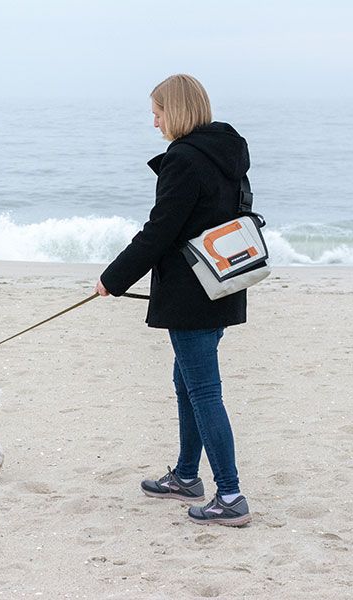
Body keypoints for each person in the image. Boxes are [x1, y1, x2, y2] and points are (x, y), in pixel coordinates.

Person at [95, 74, 252, 527]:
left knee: (203, 390)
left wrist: (113, 277)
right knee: (187, 383)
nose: (154, 121)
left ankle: (231, 494)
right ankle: (186, 475)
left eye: (158, 112)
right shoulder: (226, 153)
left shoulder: (185, 159)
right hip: (222, 282)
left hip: (192, 293)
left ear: (177, 111)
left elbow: (160, 230)